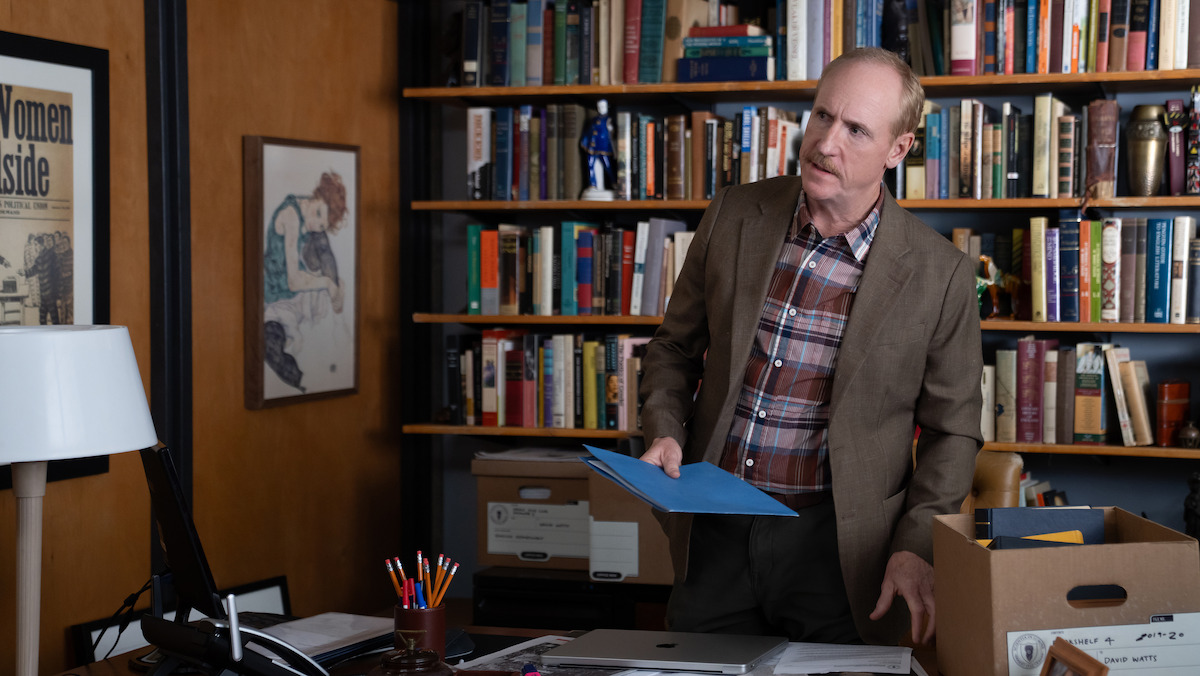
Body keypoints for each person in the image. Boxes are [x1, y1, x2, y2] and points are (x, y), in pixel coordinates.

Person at [637, 48, 983, 647]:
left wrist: (915, 543)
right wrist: (664, 430)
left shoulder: (941, 275)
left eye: (856, 130)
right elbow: (672, 349)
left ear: (897, 150)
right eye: (823, 116)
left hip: (842, 551)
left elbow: (953, 432)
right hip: (713, 530)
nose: (826, 144)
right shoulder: (732, 214)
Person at [262, 171, 348, 392]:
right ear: (317, 195)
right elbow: (293, 281)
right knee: (272, 345)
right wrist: (328, 283)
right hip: (277, 294)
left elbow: (321, 249)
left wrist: (333, 283)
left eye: (322, 223)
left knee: (333, 273)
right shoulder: (291, 214)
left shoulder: (310, 212)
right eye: (318, 212)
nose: (314, 222)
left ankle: (339, 340)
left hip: (296, 293)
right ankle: (306, 381)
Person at [580, 98, 615, 199]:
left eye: (603, 107)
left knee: (607, 165)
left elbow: (612, 133)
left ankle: (614, 183)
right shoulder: (594, 120)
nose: (601, 109)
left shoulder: (609, 120)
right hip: (592, 146)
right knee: (591, 165)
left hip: (603, 146)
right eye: (599, 107)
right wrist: (585, 141)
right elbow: (589, 132)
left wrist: (611, 130)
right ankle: (593, 184)